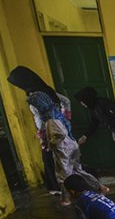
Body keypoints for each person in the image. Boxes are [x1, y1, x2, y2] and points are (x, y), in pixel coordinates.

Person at [28, 92, 107, 205]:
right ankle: (100, 187)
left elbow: (59, 136)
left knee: (63, 177)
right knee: (79, 171)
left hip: (63, 150)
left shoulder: (50, 119)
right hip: (72, 146)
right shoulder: (57, 113)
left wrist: (49, 144)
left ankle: (66, 199)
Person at [7, 66, 72, 195]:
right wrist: (65, 119)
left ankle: (58, 188)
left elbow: (40, 117)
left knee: (50, 159)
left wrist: (42, 134)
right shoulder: (47, 90)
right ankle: (69, 185)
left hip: (49, 132)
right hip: (60, 128)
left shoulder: (34, 95)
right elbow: (66, 101)